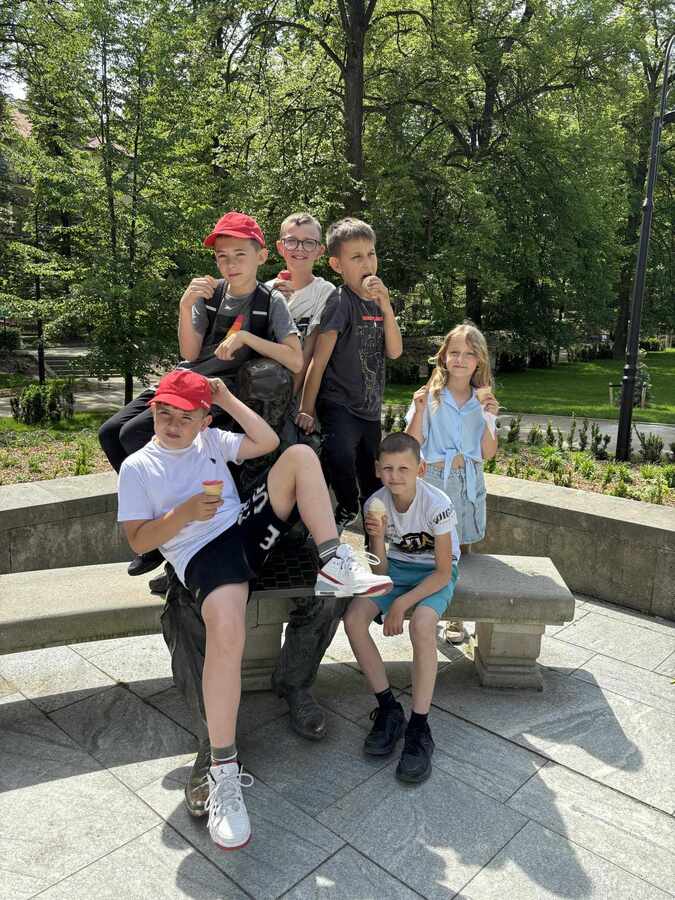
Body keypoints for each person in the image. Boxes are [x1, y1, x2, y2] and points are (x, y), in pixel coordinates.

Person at [116, 368, 392, 851]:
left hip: (243, 529)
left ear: (204, 419)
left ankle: (334, 562)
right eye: (164, 414)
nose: (173, 425)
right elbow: (139, 540)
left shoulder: (212, 440)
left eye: (185, 417)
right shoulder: (139, 467)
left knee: (300, 456)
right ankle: (223, 769)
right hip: (203, 556)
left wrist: (226, 398)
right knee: (227, 632)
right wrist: (184, 514)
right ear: (153, 411)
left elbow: (266, 442)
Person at [99, 211, 302, 577]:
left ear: (261, 256)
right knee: (110, 433)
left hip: (213, 390)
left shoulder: (270, 301)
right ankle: (153, 528)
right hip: (184, 379)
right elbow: (190, 353)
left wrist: (246, 338)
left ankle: (163, 534)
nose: (230, 264)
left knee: (133, 435)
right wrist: (185, 305)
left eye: (239, 255)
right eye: (222, 257)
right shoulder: (213, 295)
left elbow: (296, 359)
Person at [344, 432, 460, 784]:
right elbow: (380, 570)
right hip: (395, 569)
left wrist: (402, 604)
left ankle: (419, 727)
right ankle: (388, 709)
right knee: (354, 620)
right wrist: (377, 536)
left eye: (404, 469)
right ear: (377, 469)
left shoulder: (437, 504)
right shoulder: (376, 503)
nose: (395, 476)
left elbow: (443, 572)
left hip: (432, 573)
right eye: (388, 469)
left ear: (420, 469)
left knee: (421, 625)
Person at [298, 217, 403, 532]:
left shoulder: (379, 303)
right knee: (340, 453)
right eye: (356, 257)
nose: (367, 263)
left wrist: (387, 307)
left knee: (372, 480)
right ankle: (345, 504)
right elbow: (319, 360)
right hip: (338, 402)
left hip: (369, 409)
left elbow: (394, 351)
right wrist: (306, 409)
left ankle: (375, 548)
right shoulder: (340, 302)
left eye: (371, 254)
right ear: (337, 265)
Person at [406, 322, 498, 643]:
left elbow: (488, 453)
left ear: (479, 360)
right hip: (435, 480)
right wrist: (419, 411)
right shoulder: (430, 397)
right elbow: (411, 444)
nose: (460, 359)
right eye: (454, 352)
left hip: (468, 481)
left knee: (464, 550)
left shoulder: (482, 401)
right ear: (444, 356)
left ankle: (457, 617)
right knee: (433, 549)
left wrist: (489, 417)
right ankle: (429, 608)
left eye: (469, 354)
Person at [266, 212, 335, 394]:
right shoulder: (266, 290)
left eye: (309, 242)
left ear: (320, 250)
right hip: (263, 388)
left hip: (297, 393)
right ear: (280, 247)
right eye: (291, 241)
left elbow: (311, 351)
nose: (299, 248)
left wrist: (290, 399)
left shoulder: (325, 292)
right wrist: (274, 303)